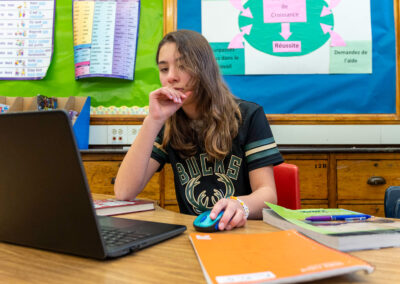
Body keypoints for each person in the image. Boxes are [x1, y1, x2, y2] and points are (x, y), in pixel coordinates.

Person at [114, 30, 284, 231]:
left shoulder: (248, 115)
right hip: (194, 235)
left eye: (183, 66)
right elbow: (124, 192)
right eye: (164, 69)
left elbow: (268, 194)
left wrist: (241, 204)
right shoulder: (167, 123)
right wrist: (153, 120)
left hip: (242, 233)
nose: (171, 77)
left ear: (205, 68)